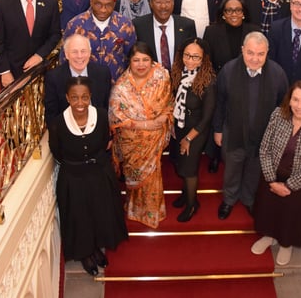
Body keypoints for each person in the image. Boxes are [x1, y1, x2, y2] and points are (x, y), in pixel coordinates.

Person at [48, 77, 128, 276]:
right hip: (73, 178)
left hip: (99, 173)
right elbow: (57, 151)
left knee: (99, 212)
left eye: (84, 97)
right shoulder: (58, 123)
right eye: (74, 98)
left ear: (90, 96)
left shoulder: (101, 116)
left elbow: (103, 142)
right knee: (80, 217)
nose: (80, 102)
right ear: (67, 98)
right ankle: (86, 253)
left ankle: (96, 248)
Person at [250, 81, 301, 266]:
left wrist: (289, 186)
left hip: (298, 182)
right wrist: (271, 180)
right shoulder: (278, 115)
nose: (299, 106)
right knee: (268, 210)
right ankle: (268, 237)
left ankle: (286, 244)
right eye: (296, 100)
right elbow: (264, 148)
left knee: (290, 216)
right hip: (272, 175)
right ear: (289, 100)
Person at [213, 32, 288, 220]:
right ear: (242, 51)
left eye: (260, 54)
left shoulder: (277, 73)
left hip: (263, 135)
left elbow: (282, 106)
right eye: (250, 53)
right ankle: (229, 200)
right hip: (233, 132)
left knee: (254, 171)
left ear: (267, 52)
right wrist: (218, 129)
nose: (255, 58)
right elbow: (220, 103)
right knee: (232, 169)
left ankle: (248, 199)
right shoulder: (229, 71)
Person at [109, 42, 174, 228]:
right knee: (134, 176)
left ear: (151, 60)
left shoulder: (162, 76)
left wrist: (160, 119)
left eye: (145, 59)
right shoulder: (121, 87)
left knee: (153, 175)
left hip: (154, 138)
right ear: (129, 61)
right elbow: (117, 116)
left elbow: (168, 101)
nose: (141, 64)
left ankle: (152, 212)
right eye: (136, 60)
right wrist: (147, 124)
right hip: (131, 140)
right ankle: (134, 210)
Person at [202, 0, 260, 173]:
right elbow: (206, 61)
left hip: (247, 85)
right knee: (218, 121)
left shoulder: (254, 31)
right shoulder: (211, 31)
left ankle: (240, 157)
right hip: (220, 84)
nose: (233, 14)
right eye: (229, 10)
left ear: (244, 13)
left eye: (237, 10)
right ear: (223, 14)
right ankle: (216, 155)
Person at [170, 38, 217, 222]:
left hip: (196, 131)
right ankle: (185, 195)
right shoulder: (177, 73)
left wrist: (188, 139)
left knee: (189, 169)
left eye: (196, 57)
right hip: (180, 126)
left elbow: (207, 118)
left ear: (203, 58)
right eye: (187, 55)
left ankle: (192, 205)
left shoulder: (209, 81)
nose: (190, 60)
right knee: (180, 163)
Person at [64, 0, 137, 81]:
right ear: (91, 2)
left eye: (108, 5)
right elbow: (65, 58)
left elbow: (132, 57)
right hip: (84, 85)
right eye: (98, 4)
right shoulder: (75, 25)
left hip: (117, 86)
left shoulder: (125, 24)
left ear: (114, 4)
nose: (103, 10)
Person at [44, 34, 112, 125]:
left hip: (96, 128)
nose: (79, 56)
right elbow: (51, 115)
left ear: (89, 53)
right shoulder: (54, 77)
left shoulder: (103, 73)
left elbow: (105, 108)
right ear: (66, 54)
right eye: (74, 52)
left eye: (83, 51)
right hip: (67, 130)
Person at [132, 0, 196, 70]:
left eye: (167, 2)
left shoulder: (187, 25)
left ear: (173, 2)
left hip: (180, 78)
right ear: (150, 3)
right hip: (151, 78)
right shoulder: (138, 25)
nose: (163, 6)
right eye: (158, 2)